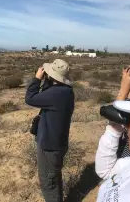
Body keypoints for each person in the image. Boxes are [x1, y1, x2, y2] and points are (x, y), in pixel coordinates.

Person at [25, 59, 75, 202]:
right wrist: (48, 80)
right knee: (54, 177)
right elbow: (48, 93)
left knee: (49, 183)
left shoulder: (55, 94)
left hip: (49, 147)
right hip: (57, 143)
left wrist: (37, 79)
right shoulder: (66, 92)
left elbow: (30, 98)